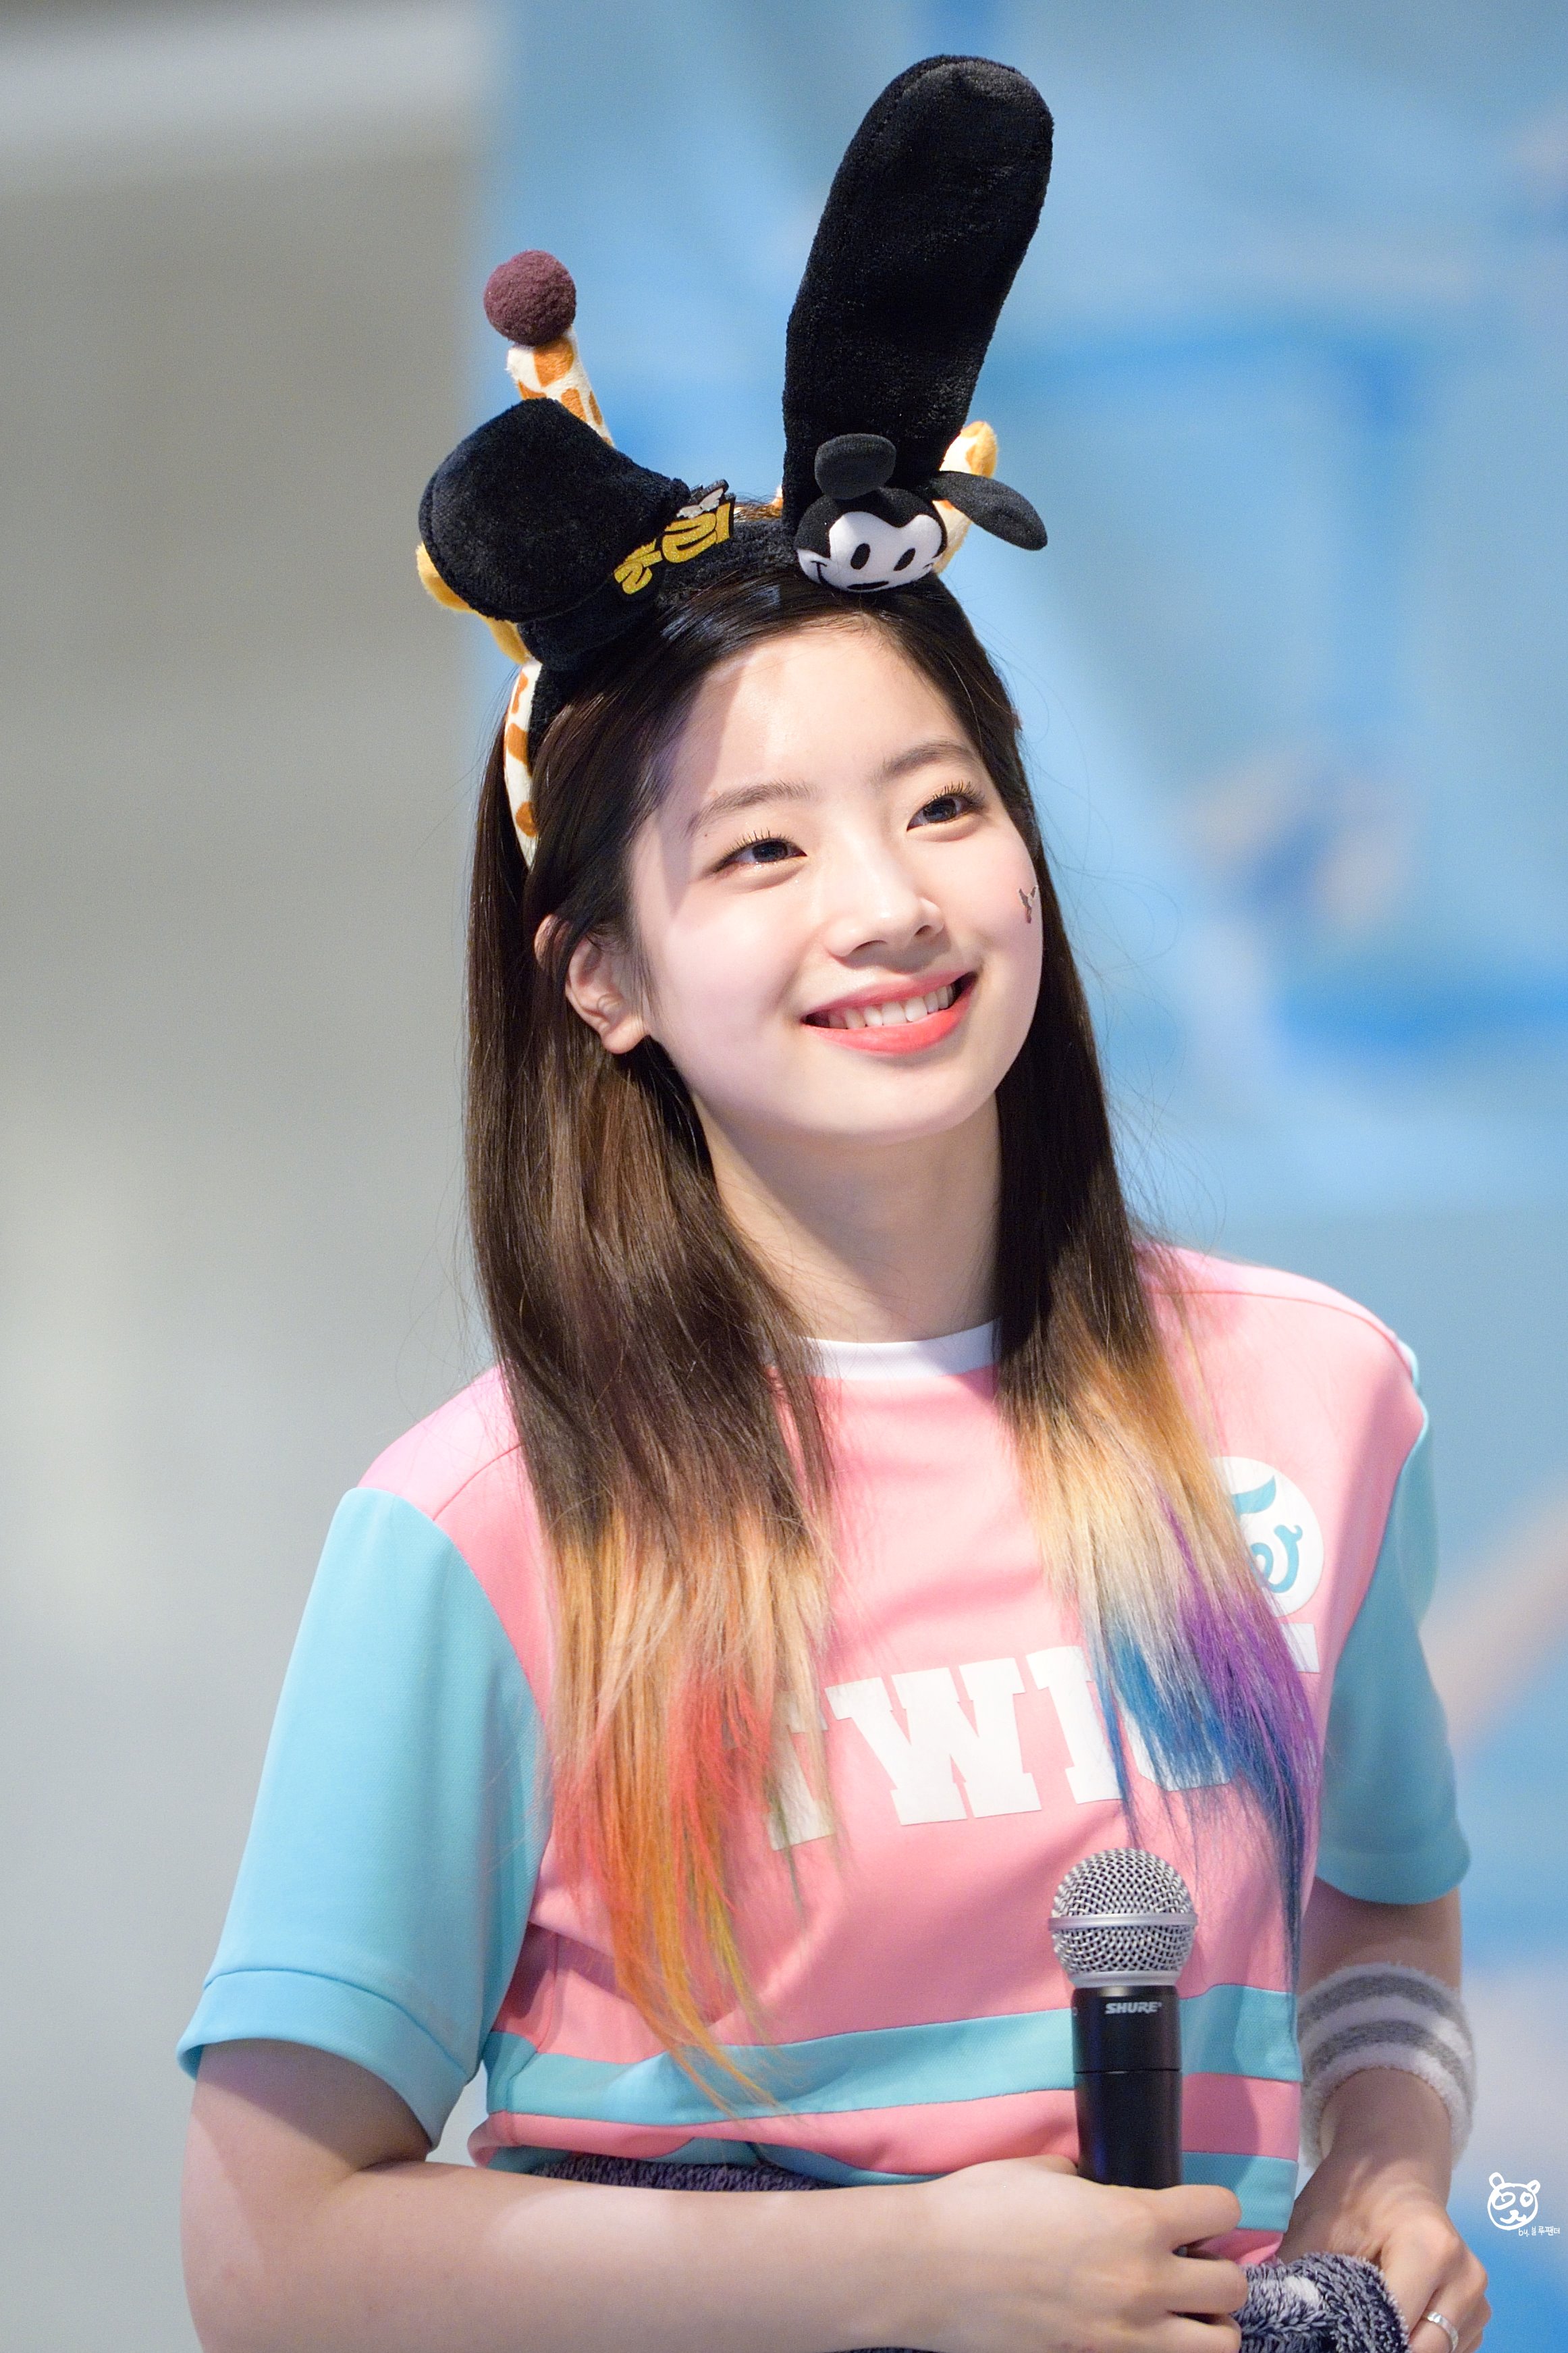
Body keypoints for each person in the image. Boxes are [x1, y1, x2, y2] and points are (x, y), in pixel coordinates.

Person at [178, 57, 1490, 2353]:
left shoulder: (1312, 1394)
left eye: (943, 807)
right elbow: (270, 2260)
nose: (887, 904)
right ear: (601, 979)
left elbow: (1381, 1909)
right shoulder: (487, 1531)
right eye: (762, 850)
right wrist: (908, 2266)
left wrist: (1380, 2168)